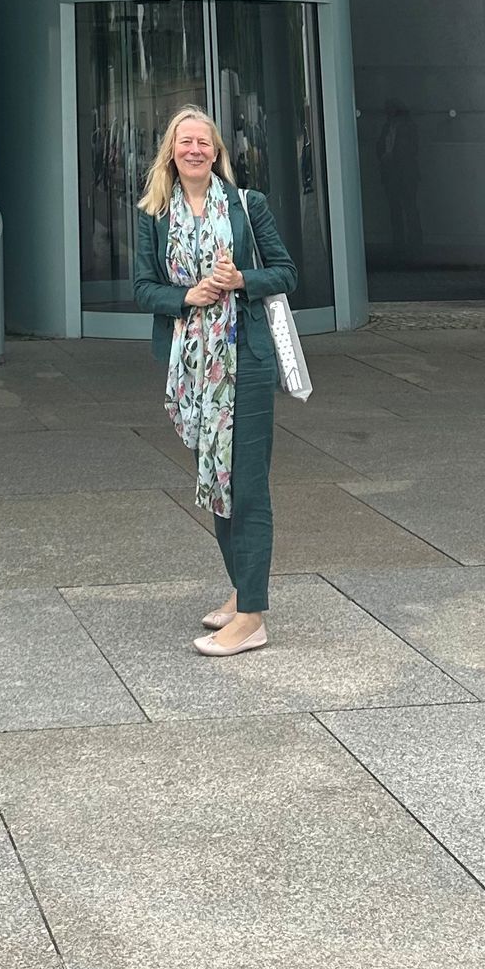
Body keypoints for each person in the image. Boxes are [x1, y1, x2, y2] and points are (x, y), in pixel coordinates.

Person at [133, 105, 295, 658]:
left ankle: (252, 618)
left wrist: (241, 279)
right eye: (185, 142)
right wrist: (187, 295)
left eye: (204, 142)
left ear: (217, 151)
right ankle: (241, 590)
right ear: (171, 153)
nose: (195, 150)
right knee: (220, 481)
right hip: (192, 369)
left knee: (246, 484)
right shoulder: (153, 214)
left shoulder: (247, 205)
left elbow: (287, 271)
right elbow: (142, 288)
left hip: (244, 361)